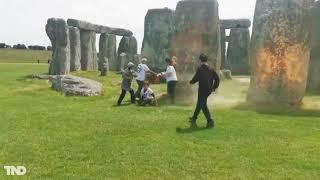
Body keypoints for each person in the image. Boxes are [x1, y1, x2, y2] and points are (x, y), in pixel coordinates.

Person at [189, 53, 220, 128]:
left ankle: (210, 121)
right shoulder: (211, 68)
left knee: (203, 105)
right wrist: (214, 87)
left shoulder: (200, 68)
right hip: (209, 90)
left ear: (200, 60)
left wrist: (191, 82)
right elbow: (217, 79)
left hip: (202, 90)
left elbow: (196, 78)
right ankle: (194, 118)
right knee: (199, 103)